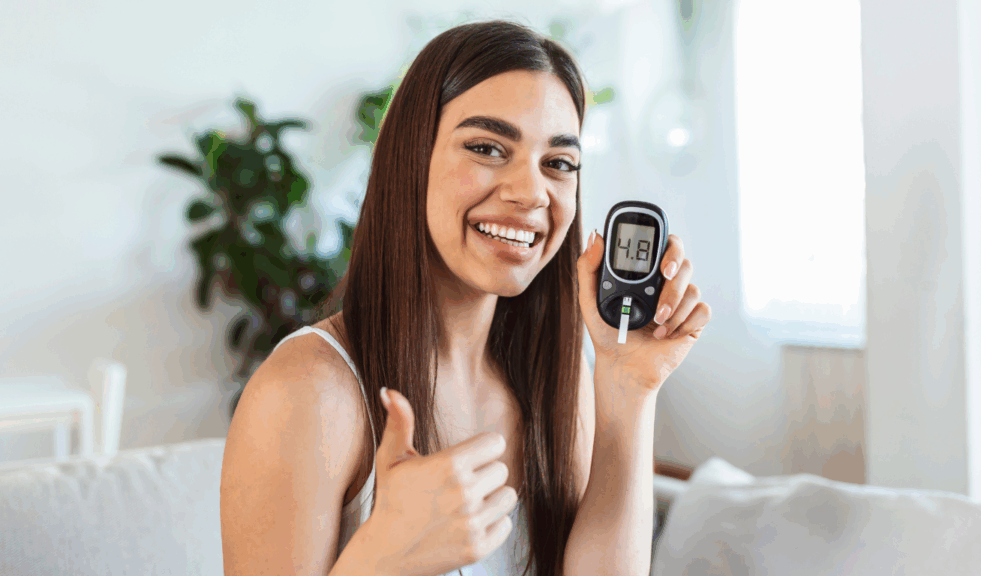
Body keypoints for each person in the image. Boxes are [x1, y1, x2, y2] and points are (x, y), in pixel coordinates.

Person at [219, 19, 710, 576]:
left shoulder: (556, 376)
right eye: (487, 148)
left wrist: (629, 391)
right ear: (413, 159)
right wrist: (381, 560)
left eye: (559, 163)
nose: (530, 193)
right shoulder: (307, 390)